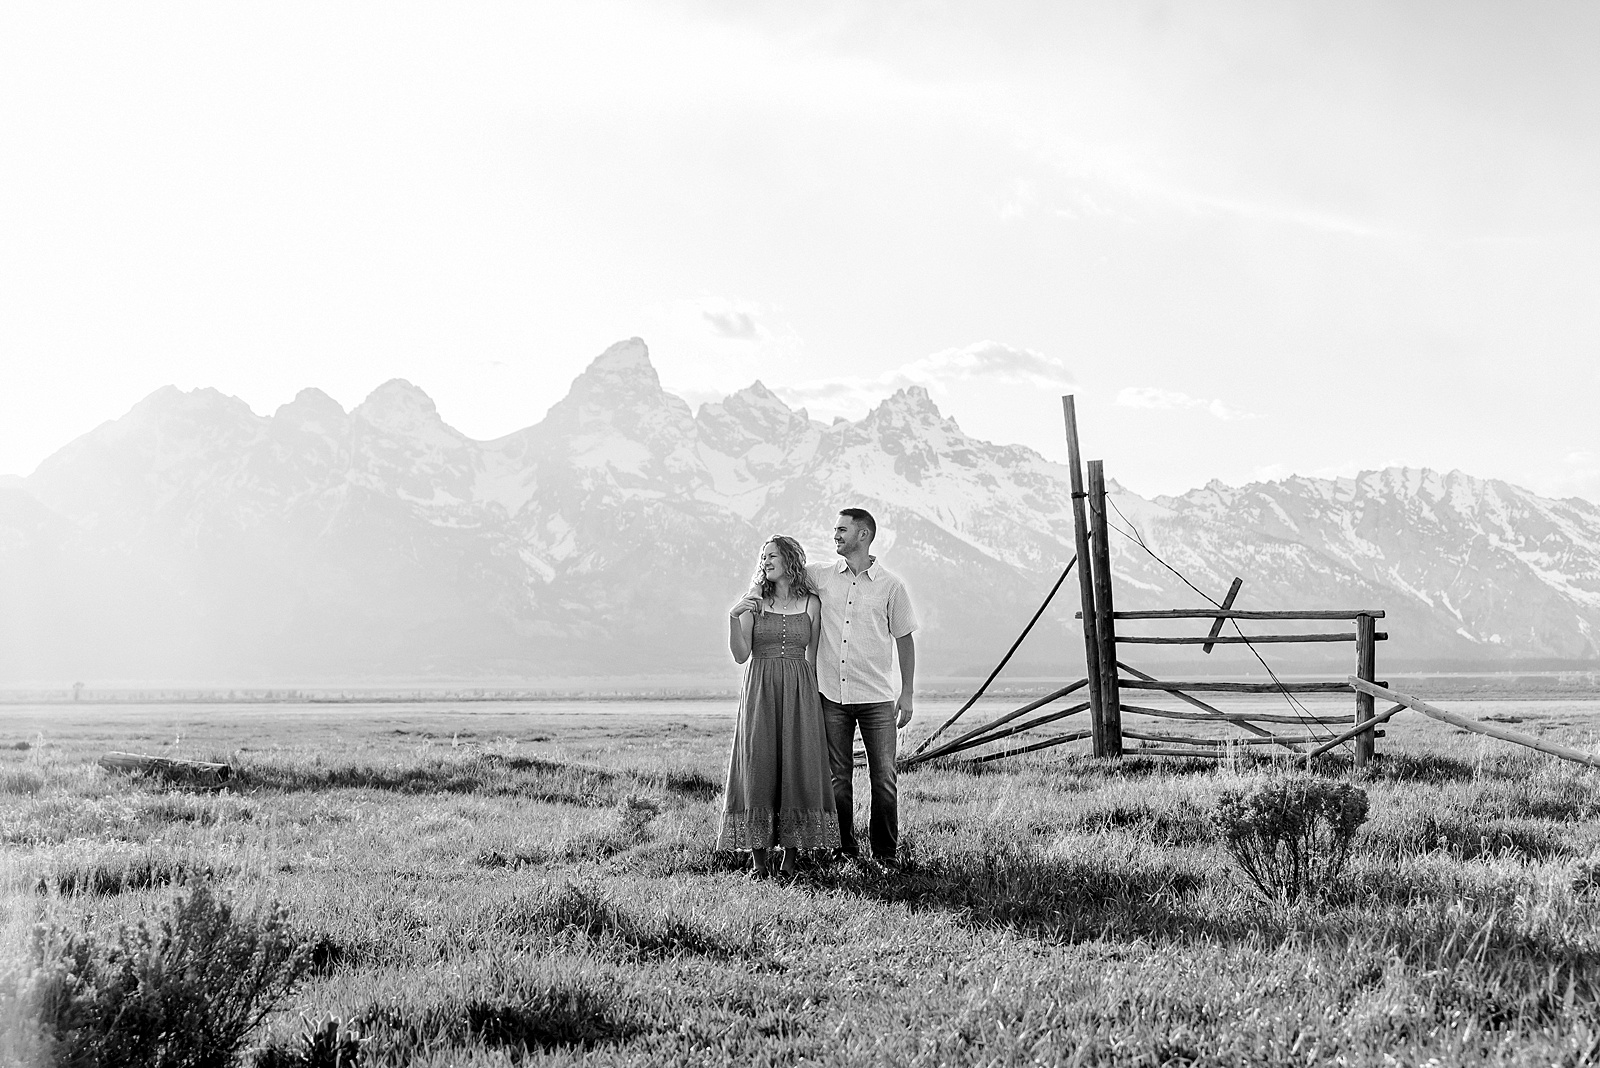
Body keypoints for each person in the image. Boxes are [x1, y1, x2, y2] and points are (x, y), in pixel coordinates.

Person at [718, 535, 840, 878]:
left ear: (790, 560)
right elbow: (742, 655)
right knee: (758, 763)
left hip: (801, 690)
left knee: (796, 765)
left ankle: (789, 859)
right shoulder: (755, 601)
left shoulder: (812, 602)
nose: (766, 561)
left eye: (772, 555)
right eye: (764, 557)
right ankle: (758, 862)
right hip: (761, 689)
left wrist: (816, 700)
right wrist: (734, 616)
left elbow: (813, 656)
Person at [807, 508, 917, 864]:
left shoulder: (891, 585)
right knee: (838, 777)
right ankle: (844, 849)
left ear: (863, 535)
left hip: (877, 698)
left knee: (884, 776)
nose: (835, 535)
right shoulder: (821, 577)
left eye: (841, 529)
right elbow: (783, 573)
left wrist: (908, 693)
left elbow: (905, 639)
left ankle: (885, 854)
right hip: (832, 696)